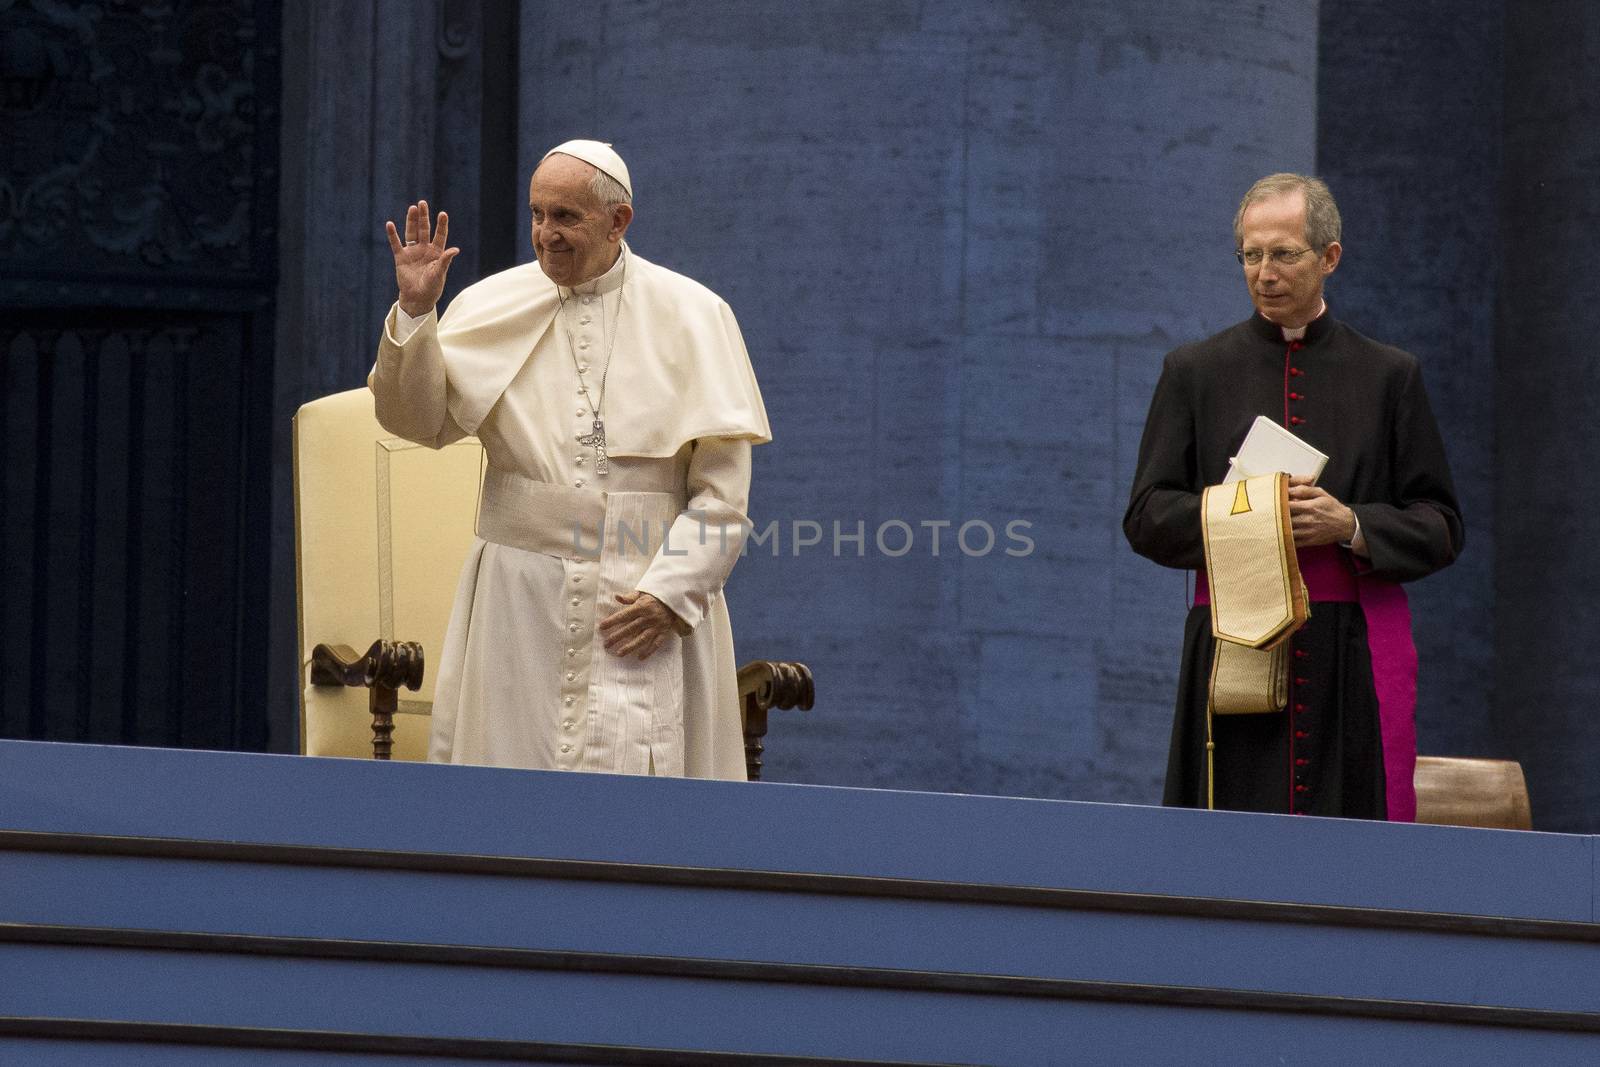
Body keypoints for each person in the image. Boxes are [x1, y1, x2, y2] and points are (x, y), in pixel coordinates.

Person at [369, 140, 770, 779]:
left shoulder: (696, 314)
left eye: (565, 217)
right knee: (509, 790)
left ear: (619, 221)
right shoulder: (490, 304)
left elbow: (723, 494)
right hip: (520, 602)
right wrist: (417, 312)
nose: (544, 235)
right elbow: (416, 421)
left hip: (645, 597)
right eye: (536, 214)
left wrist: (672, 596)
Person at [1123, 173, 1463, 820]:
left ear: (1329, 257)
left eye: (1283, 254)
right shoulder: (1194, 371)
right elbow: (1145, 517)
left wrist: (1349, 523)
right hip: (1233, 645)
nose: (1264, 273)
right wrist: (1243, 514)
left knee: (1349, 853)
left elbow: (1442, 525)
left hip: (1349, 657)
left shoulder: (1390, 375)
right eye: (1251, 255)